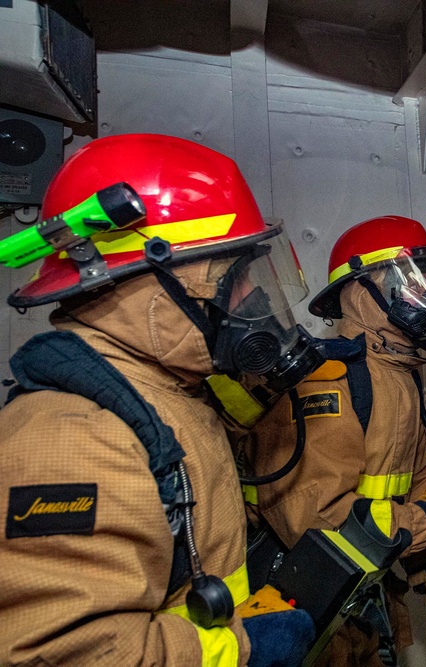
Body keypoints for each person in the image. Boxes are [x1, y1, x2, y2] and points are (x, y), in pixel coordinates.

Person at [0, 133, 315, 665]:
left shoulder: (171, 388)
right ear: (150, 283)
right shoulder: (71, 437)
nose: (252, 299)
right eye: (232, 278)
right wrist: (239, 649)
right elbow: (61, 653)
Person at [237, 215, 426, 665]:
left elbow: (417, 485)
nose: (425, 297)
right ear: (359, 293)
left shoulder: (399, 377)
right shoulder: (325, 382)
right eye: (408, 282)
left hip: (368, 604)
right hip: (307, 616)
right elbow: (319, 522)